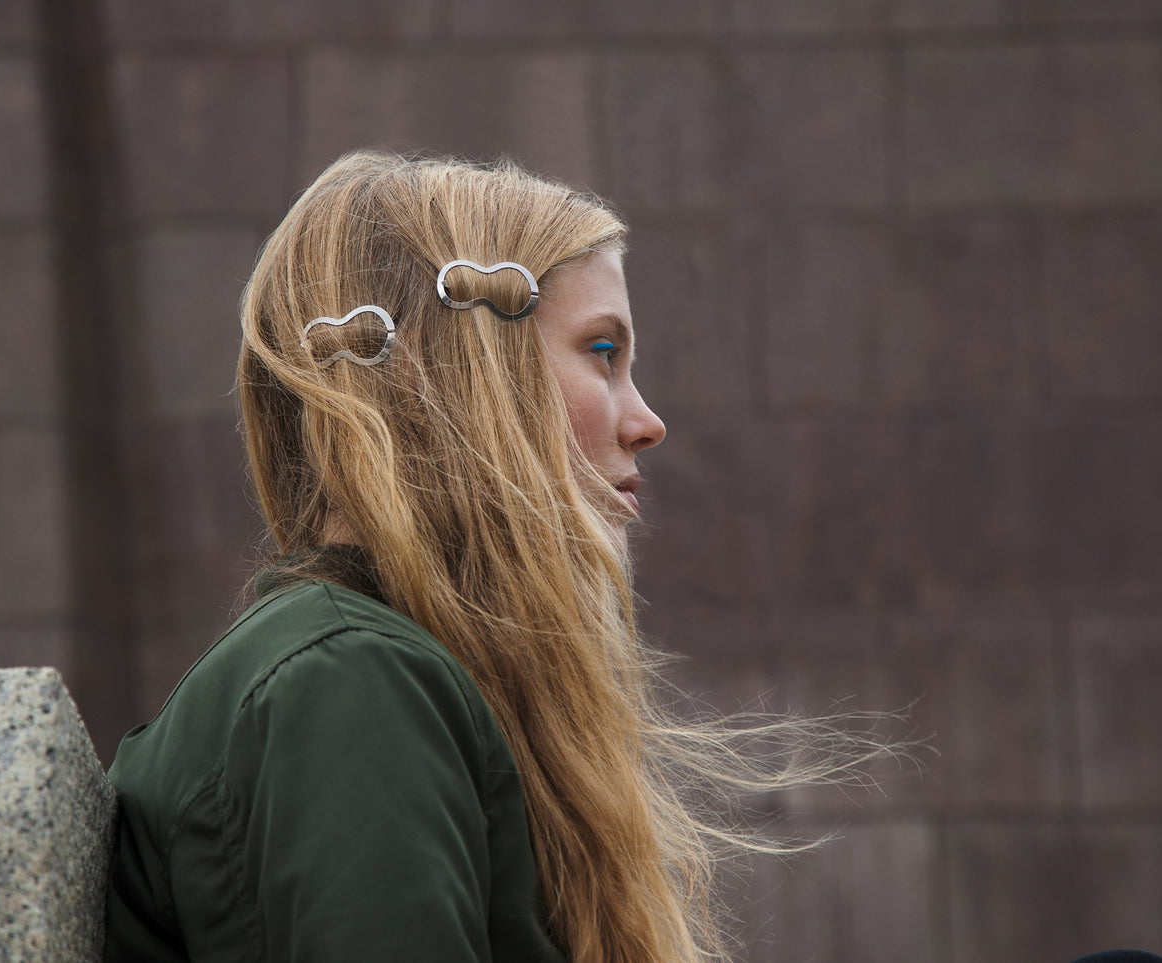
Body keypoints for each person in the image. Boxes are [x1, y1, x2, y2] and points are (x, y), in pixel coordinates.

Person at [102, 151, 869, 963]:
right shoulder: (349, 681)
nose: (646, 421)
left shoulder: (372, 672)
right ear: (466, 366)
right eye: (602, 351)